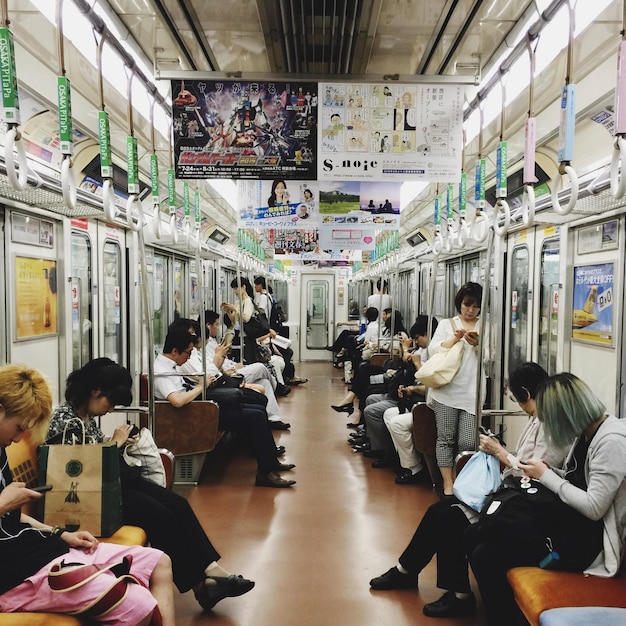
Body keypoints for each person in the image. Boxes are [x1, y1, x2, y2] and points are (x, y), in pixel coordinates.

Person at [45, 358, 255, 611]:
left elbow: (94, 455)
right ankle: (202, 585)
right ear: (95, 391)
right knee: (160, 516)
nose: (110, 410)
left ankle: (212, 571)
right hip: (94, 496)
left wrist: (120, 442)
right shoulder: (66, 421)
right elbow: (77, 470)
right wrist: (115, 443)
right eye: (110, 402)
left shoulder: (85, 416)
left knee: (177, 503)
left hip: (110, 484)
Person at [370, 363, 566, 620]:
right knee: (439, 509)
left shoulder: (551, 425)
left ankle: (456, 594)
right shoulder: (537, 418)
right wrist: (501, 453)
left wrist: (500, 453)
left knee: (450, 517)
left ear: (526, 394)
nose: (521, 407)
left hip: (529, 504)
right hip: (517, 494)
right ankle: (406, 570)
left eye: (519, 400)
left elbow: (534, 470)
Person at [0, 364, 174, 625]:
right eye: (17, 428)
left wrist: (61, 533)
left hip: (37, 550)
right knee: (138, 604)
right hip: (15, 575)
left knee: (159, 561)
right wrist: (3, 504)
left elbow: (15, 519)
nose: (17, 439)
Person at [465, 373, 626, 626]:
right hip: (572, 525)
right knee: (475, 534)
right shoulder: (587, 433)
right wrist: (548, 470)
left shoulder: (611, 442)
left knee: (487, 555)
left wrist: (548, 476)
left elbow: (595, 507)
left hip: (590, 543)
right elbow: (577, 479)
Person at [154, 327, 295, 488]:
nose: (189, 357)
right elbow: (177, 401)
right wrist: (202, 387)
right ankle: (265, 472)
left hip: (198, 409)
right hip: (191, 415)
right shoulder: (161, 371)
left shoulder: (170, 365)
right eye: (187, 353)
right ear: (174, 351)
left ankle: (269, 461)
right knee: (255, 416)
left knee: (258, 410)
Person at [428, 282, 484, 496]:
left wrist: (477, 344)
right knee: (446, 439)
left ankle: (462, 479)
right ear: (459, 304)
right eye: (466, 305)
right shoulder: (446, 325)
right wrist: (455, 338)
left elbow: (491, 360)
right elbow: (433, 351)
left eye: (475, 306)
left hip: (471, 392)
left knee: (468, 441)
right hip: (446, 391)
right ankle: (448, 483)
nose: (470, 310)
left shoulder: (486, 327)